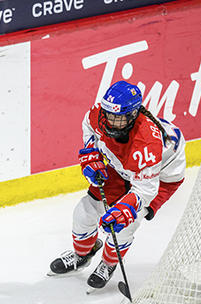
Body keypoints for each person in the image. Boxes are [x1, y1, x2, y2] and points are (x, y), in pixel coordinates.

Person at [48, 80, 186, 290]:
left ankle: (108, 263)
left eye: (118, 118)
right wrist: (91, 153)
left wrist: (124, 209)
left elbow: (146, 190)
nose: (110, 121)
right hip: (121, 166)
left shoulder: (146, 144)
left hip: (158, 179)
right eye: (108, 114)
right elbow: (89, 125)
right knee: (84, 212)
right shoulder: (100, 114)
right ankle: (82, 254)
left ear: (133, 115)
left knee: (124, 226)